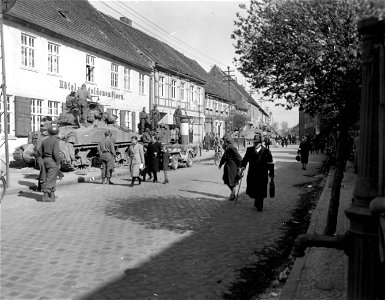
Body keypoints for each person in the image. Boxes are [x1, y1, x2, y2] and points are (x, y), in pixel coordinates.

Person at [239, 134, 274, 211]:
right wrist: (242, 167)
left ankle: (259, 205)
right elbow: (245, 160)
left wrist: (271, 174)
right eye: (254, 142)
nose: (255, 144)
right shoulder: (250, 150)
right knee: (254, 190)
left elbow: (270, 163)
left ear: (260, 143)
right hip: (253, 174)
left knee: (261, 190)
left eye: (257, 142)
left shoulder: (266, 151)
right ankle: (257, 201)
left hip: (262, 174)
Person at [37, 124, 61, 202]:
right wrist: (58, 162)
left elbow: (39, 151)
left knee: (50, 177)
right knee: (50, 179)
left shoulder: (45, 140)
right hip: (52, 161)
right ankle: (45, 196)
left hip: (45, 160)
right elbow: (56, 153)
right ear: (57, 132)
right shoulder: (56, 140)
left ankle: (51, 195)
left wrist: (45, 157)